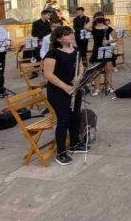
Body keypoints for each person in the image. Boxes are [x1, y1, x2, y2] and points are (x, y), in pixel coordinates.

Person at [42, 26, 87, 166]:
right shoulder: (52, 53)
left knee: (75, 117)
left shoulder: (76, 50)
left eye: (72, 33)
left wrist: (79, 78)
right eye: (68, 35)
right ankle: (60, 152)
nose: (72, 36)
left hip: (74, 89)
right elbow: (48, 74)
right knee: (63, 120)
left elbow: (81, 66)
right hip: (58, 92)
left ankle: (74, 143)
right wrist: (65, 87)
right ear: (59, 38)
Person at [87, 14, 117, 95]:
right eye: (98, 17)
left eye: (101, 16)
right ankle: (97, 89)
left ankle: (110, 87)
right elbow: (86, 27)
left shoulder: (108, 28)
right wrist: (91, 20)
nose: (99, 18)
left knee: (108, 69)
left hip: (107, 49)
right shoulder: (93, 28)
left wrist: (108, 41)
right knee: (97, 70)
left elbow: (115, 39)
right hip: (97, 50)